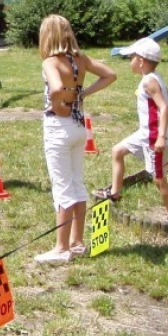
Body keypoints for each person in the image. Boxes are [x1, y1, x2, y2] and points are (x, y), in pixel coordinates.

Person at [35, 15, 117, 263]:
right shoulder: (81, 60)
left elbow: (57, 87)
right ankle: (77, 241)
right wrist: (82, 94)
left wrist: (62, 102)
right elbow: (110, 74)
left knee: (61, 188)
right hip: (79, 126)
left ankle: (61, 248)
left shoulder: (51, 62)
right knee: (77, 183)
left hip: (58, 127)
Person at [94, 37, 168, 225]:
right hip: (145, 133)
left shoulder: (149, 82)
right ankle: (114, 193)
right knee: (118, 151)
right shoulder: (155, 78)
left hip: (155, 138)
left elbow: (165, 107)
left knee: (159, 179)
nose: (129, 61)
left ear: (140, 61)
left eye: (131, 57)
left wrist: (162, 137)